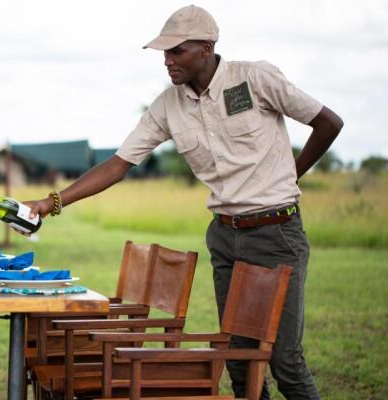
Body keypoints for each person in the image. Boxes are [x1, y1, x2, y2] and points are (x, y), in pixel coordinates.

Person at [23, 5, 342, 400]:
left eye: (178, 51)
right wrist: (51, 201)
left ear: (206, 48)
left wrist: (292, 174)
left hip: (277, 234)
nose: (168, 60)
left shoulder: (255, 77)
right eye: (164, 52)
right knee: (239, 364)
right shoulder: (167, 105)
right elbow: (118, 164)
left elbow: (329, 123)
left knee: (285, 363)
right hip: (226, 238)